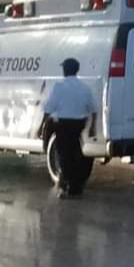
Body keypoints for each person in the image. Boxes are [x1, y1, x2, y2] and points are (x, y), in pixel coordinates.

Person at [41, 57, 98, 199]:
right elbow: (93, 109)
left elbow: (49, 108)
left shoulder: (59, 87)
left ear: (65, 70)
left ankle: (69, 186)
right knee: (75, 152)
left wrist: (42, 125)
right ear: (76, 70)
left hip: (64, 125)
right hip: (79, 125)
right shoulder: (84, 87)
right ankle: (76, 185)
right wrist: (92, 128)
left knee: (64, 156)